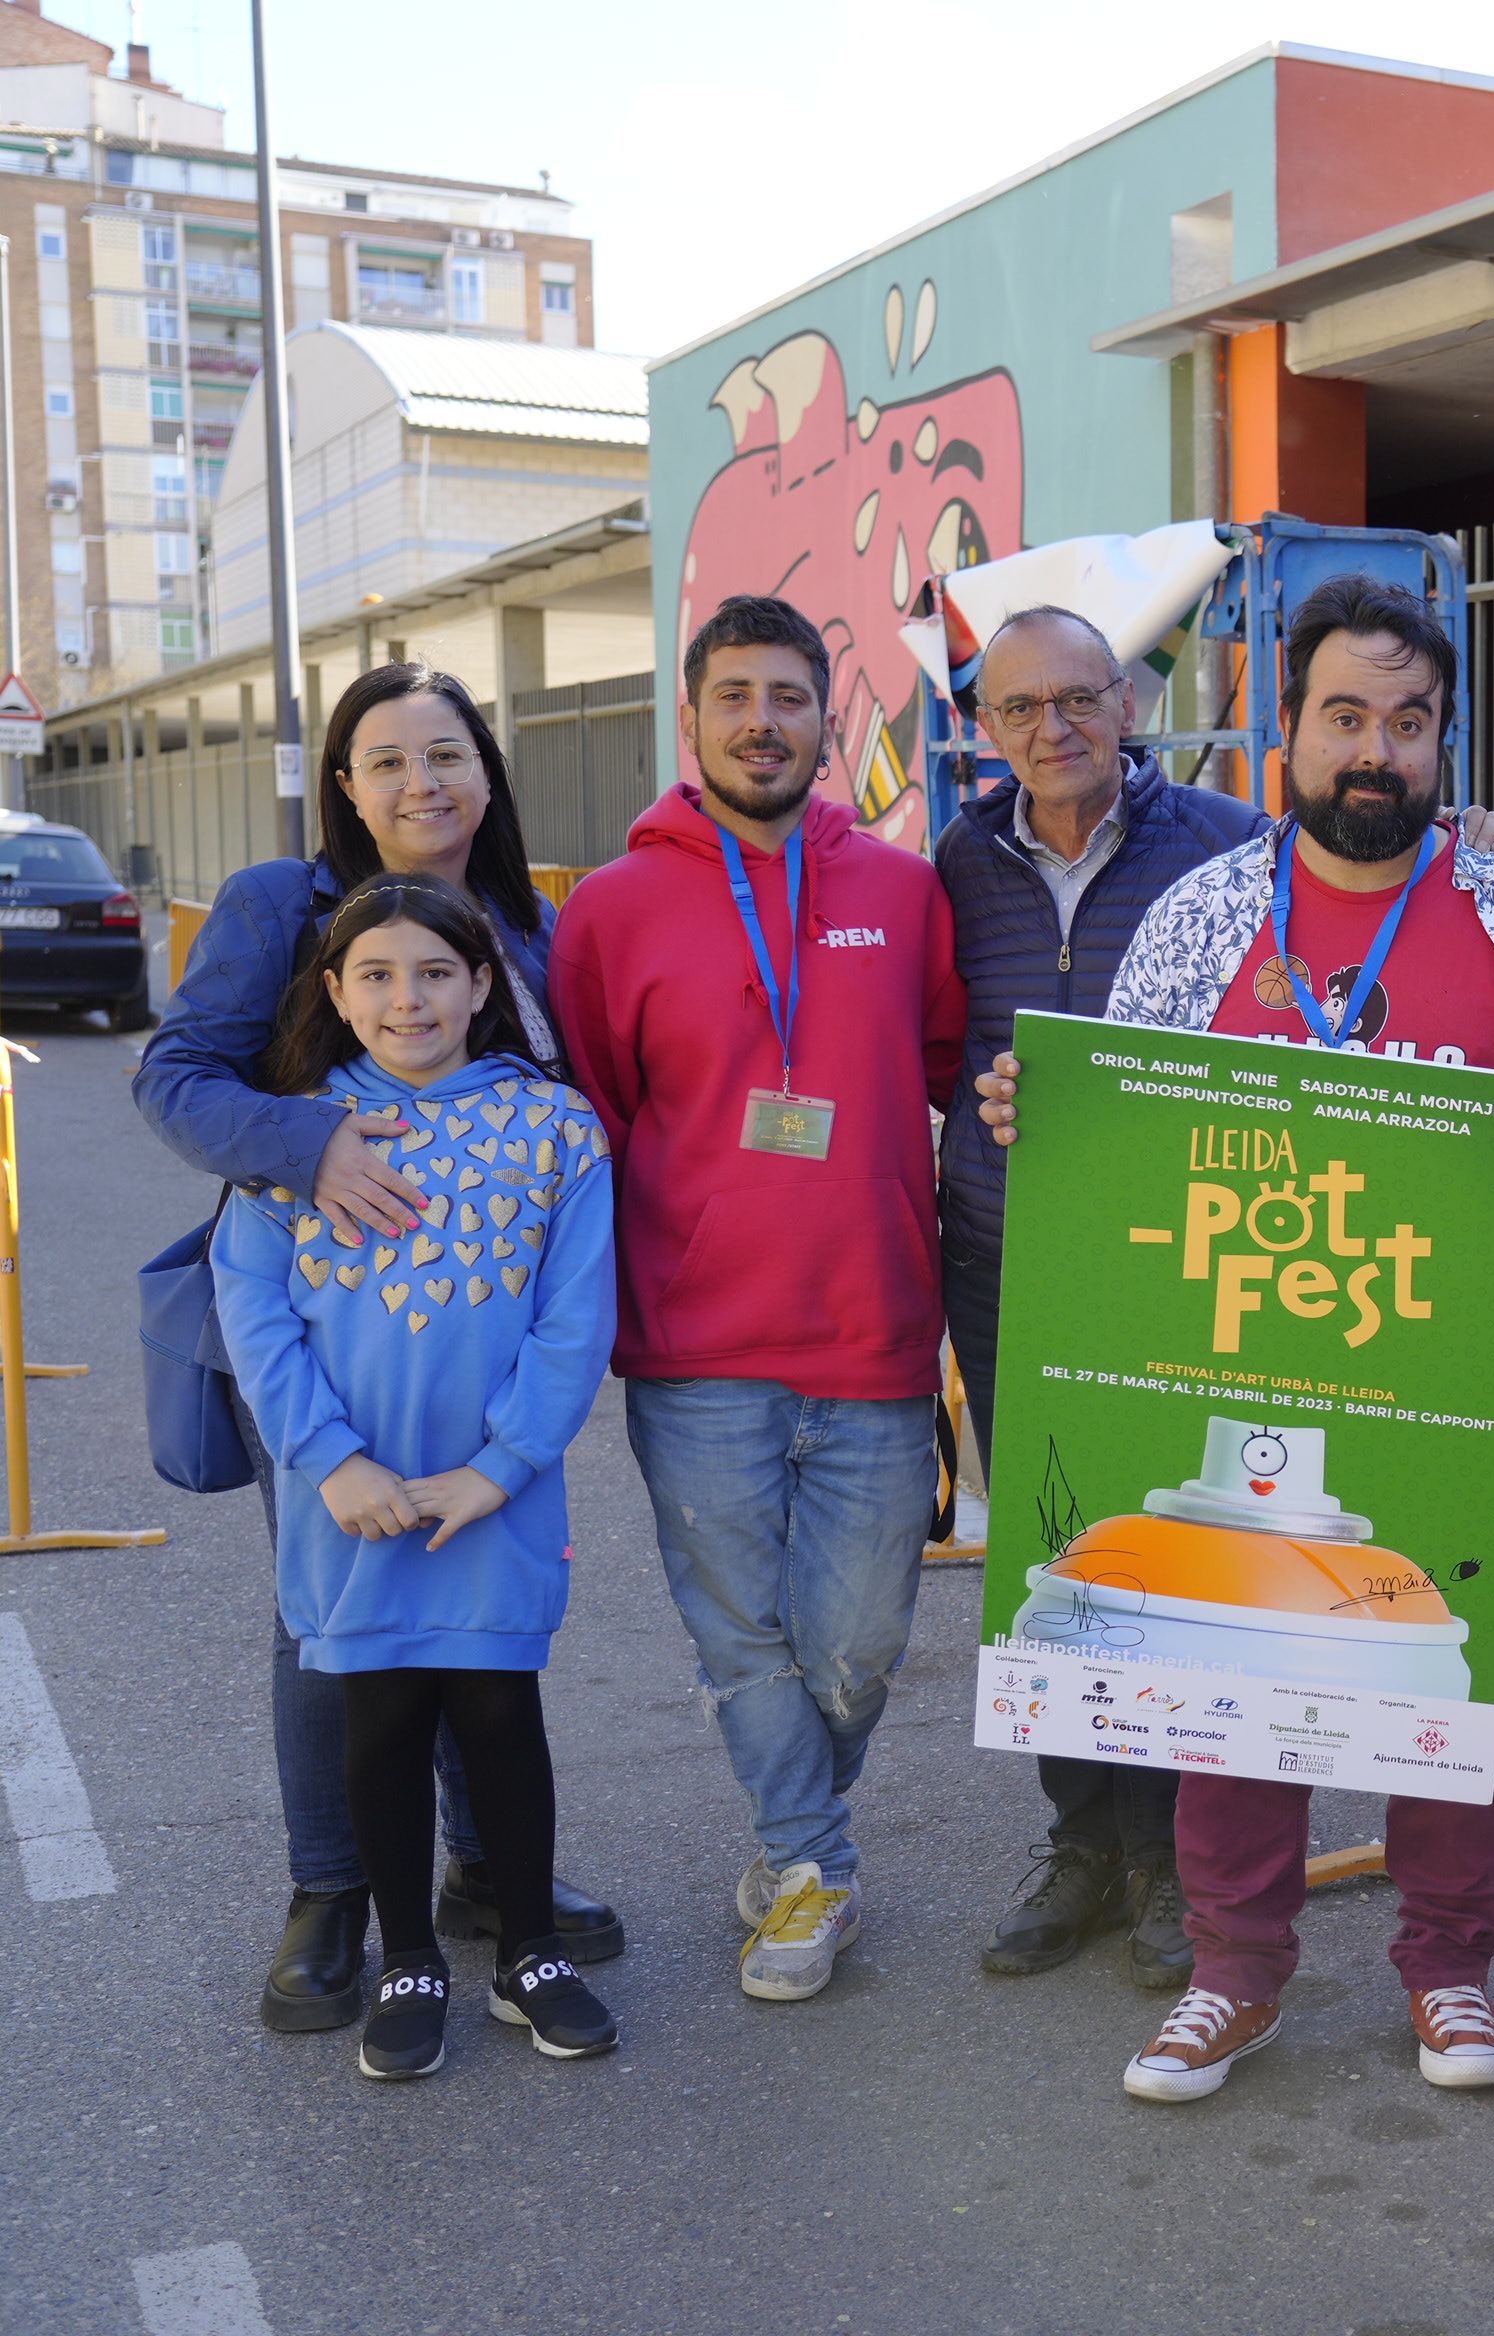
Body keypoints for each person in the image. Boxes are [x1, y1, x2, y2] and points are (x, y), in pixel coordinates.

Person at [974, 574, 1494, 2107]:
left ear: (1442, 740)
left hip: (1456, 1391)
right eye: (1346, 717)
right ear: (1291, 735)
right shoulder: (1201, 920)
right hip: (1238, 1386)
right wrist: (1039, 1117)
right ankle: (1235, 1972)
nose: (1376, 750)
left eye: (1410, 721)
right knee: (1232, 1684)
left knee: (1447, 1682)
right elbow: (1121, 1137)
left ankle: (1449, 1965)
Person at [134, 661, 624, 2035]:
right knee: (336, 1629)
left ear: (486, 773)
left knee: (471, 1623)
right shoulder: (280, 906)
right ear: (346, 785)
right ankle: (333, 1888)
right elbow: (174, 1077)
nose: (422, 783)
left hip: (483, 1351)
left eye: (447, 754)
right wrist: (312, 1143)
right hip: (327, 1340)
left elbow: (561, 1114)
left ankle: (483, 1871)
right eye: (389, 760)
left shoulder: (523, 927)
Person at [552, 593, 969, 2004]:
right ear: (691, 718)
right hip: (696, 1350)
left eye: (789, 697)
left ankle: (798, 1828)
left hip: (875, 1335)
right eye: (734, 696)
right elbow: (599, 1118)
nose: (761, 722)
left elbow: (950, 1074)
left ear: (827, 721)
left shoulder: (904, 893)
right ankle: (809, 1862)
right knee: (739, 1635)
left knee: (855, 1649)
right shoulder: (609, 911)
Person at [212, 875, 620, 2080]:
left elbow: (574, 1318)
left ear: (482, 983)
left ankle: (529, 1948)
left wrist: (501, 1466)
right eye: (378, 975)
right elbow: (253, 1312)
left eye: (437, 971)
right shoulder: (295, 1135)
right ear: (336, 993)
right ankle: (406, 1958)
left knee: (500, 1709)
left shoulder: (557, 1129)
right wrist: (332, 1461)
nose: (409, 998)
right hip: (352, 1495)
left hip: (493, 1492)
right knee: (381, 1711)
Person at [935, 603, 1266, 1990]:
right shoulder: (959, 863)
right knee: (1055, 1560)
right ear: (986, 729)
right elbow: (938, 1047)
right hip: (1007, 1264)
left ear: (1129, 701)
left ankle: (1178, 1860)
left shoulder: (1232, 846)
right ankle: (1086, 1842)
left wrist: (1475, 841)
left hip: (1172, 1275)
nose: (1053, 728)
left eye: (1078, 697)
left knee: (1176, 1561)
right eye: (1020, 708)